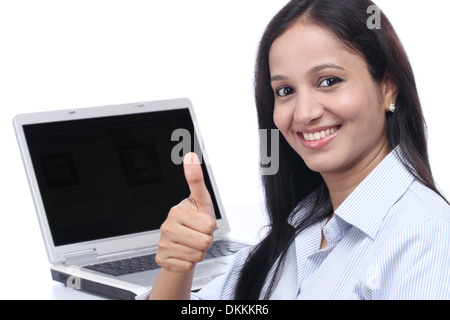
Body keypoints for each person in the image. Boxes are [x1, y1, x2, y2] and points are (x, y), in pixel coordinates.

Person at [149, 0, 450, 300]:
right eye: (285, 91)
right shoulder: (298, 228)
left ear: (387, 87)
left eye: (329, 81)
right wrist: (178, 267)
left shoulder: (425, 234)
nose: (304, 113)